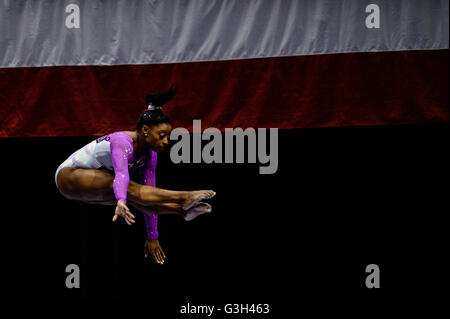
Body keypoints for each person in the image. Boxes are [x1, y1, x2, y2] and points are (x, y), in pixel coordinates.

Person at [54, 85, 216, 264]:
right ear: (146, 130)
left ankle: (181, 212)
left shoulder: (149, 156)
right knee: (128, 190)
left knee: (139, 197)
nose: (166, 141)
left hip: (90, 184)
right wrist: (121, 200)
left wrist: (153, 235)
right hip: (68, 176)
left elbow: (149, 192)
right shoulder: (122, 142)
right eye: (161, 135)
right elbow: (122, 175)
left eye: (168, 137)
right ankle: (184, 197)